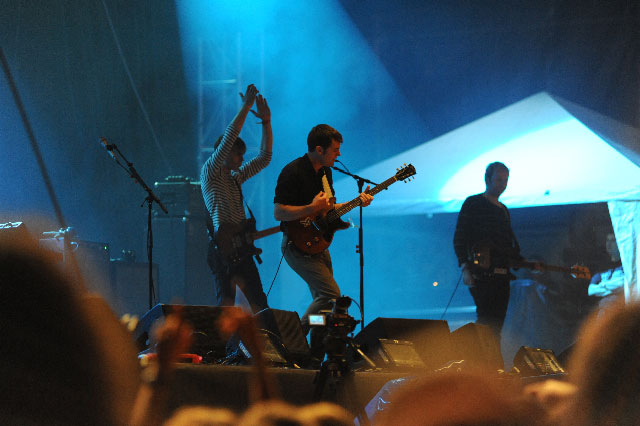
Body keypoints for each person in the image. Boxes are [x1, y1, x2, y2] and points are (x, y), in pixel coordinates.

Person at [273, 124, 373, 362]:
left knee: (325, 307)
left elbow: (327, 210)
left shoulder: (326, 173)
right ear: (319, 149)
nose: (339, 154)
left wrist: (356, 202)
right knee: (331, 295)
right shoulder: (293, 171)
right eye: (335, 150)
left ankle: (314, 355)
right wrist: (311, 207)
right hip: (296, 246)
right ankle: (293, 336)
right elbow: (278, 212)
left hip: (318, 244)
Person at [200, 84, 277, 333]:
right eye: (237, 154)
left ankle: (275, 345)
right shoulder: (210, 172)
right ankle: (219, 350)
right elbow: (230, 135)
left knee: (260, 304)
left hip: (241, 249)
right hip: (222, 251)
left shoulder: (236, 177)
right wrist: (246, 106)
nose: (242, 159)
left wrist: (266, 122)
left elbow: (264, 158)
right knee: (226, 306)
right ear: (223, 153)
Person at [453, 161, 523, 339]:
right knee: (486, 321)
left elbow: (507, 244)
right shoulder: (473, 203)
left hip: (502, 276)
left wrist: (520, 261)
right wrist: (465, 267)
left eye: (505, 180)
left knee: (497, 325)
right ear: (487, 179)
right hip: (481, 274)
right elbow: (460, 237)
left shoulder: (503, 210)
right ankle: (480, 354)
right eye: (499, 180)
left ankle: (491, 355)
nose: (502, 185)